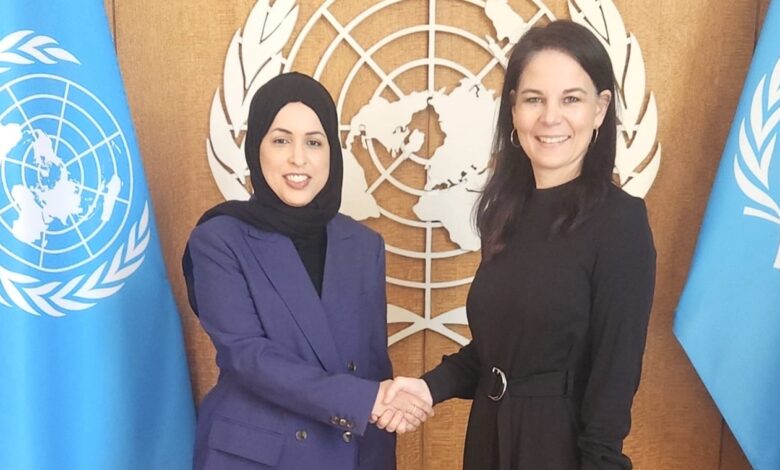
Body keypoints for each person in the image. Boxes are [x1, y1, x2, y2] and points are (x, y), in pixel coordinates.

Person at [381, 20, 657, 470]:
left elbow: (614, 377)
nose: (550, 117)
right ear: (513, 109)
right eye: (534, 99)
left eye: (571, 99)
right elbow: (499, 351)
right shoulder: (504, 213)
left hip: (558, 450)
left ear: (600, 109)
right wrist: (429, 387)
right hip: (487, 438)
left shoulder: (620, 223)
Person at [182, 72, 432, 470]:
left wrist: (380, 427)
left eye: (314, 142)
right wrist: (364, 400)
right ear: (256, 147)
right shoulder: (218, 238)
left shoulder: (364, 244)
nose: (298, 158)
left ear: (331, 151)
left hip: (346, 451)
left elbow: (370, 365)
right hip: (256, 458)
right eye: (281, 140)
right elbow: (248, 356)